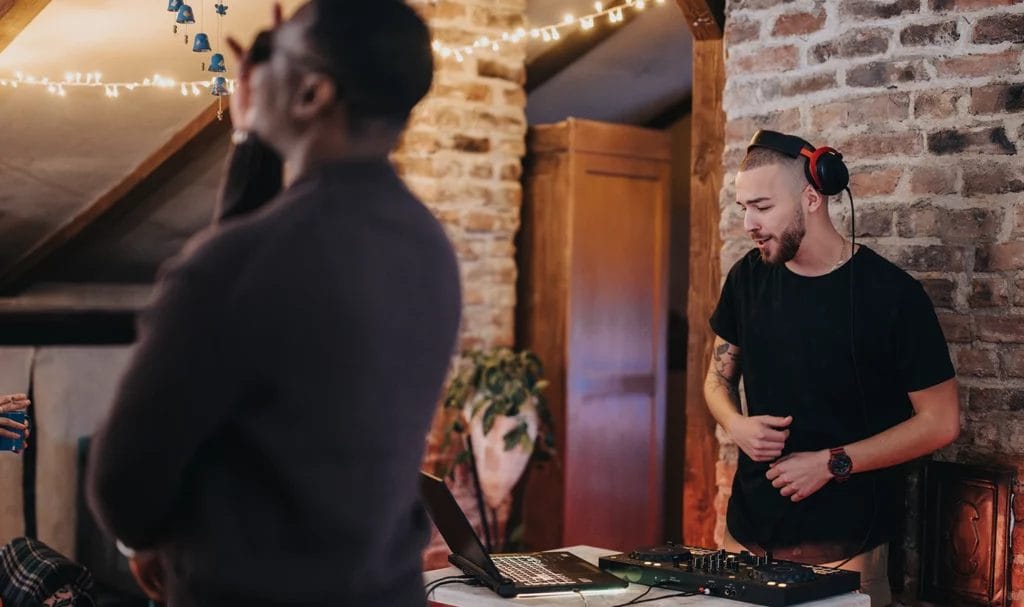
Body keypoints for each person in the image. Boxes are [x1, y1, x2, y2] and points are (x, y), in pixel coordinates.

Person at [86, 2, 462, 606]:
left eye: (275, 54)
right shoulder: (430, 248)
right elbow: (257, 270)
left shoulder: (235, 267)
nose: (257, 68)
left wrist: (157, 542)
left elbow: (123, 490)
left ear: (313, 91)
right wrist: (251, 138)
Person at [704, 130, 960, 607]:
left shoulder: (892, 296)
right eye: (743, 208)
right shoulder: (746, 278)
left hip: (848, 549)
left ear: (811, 197)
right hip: (745, 538)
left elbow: (941, 422)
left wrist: (829, 463)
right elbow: (717, 378)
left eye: (762, 207)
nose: (749, 223)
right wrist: (735, 423)